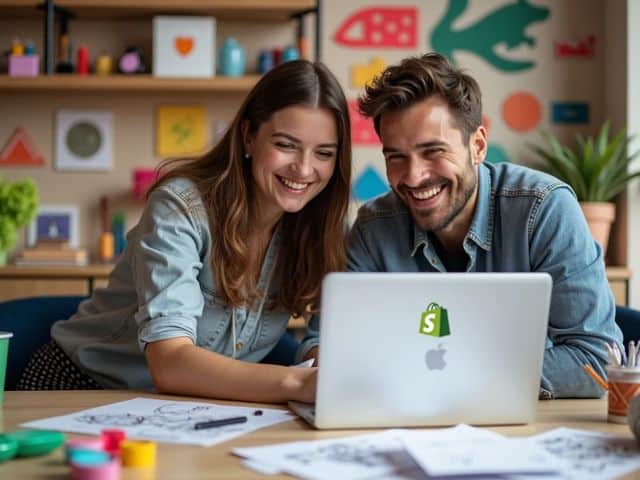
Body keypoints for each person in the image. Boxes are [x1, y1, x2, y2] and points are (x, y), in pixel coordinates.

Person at [18, 60, 351, 404]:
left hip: (189, 407)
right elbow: (170, 362)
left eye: (324, 153)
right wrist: (298, 383)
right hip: (83, 387)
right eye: (286, 145)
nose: (304, 168)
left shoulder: (325, 227)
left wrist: (321, 357)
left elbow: (322, 333)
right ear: (249, 136)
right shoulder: (181, 207)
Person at [297, 53, 623, 399]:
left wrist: (450, 377)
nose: (414, 176)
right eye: (396, 157)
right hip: (404, 425)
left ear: (478, 146)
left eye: (433, 151)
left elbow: (595, 359)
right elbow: (320, 346)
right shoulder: (374, 228)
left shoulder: (543, 209)